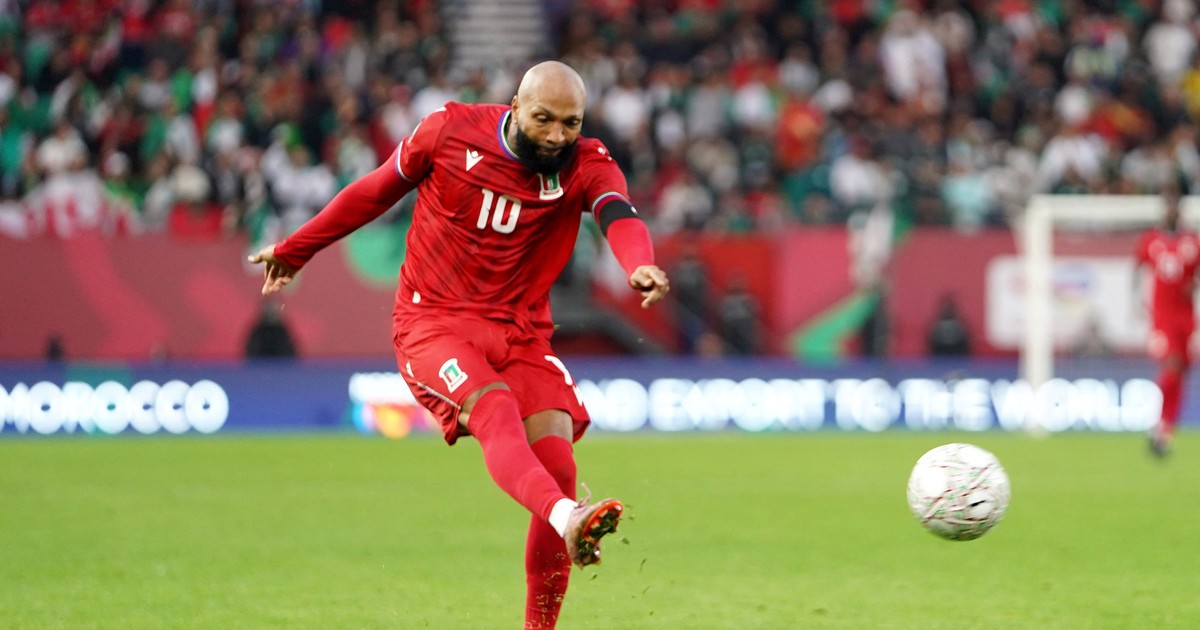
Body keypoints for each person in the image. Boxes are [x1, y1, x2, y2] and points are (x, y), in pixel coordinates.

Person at [247, 61, 670, 629]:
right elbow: (374, 191)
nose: (556, 135)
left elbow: (619, 213)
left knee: (559, 467)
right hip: (434, 322)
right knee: (496, 412)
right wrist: (297, 248)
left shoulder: (586, 161)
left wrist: (639, 264)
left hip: (521, 331)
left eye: (570, 123)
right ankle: (568, 518)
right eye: (543, 119)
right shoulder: (449, 131)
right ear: (514, 107)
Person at [1134, 189, 1199, 457]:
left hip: (1187, 316)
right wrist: (1135, 303)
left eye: (1175, 206)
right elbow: (1136, 270)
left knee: (1182, 371)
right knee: (1171, 365)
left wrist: (1194, 284)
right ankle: (1161, 424)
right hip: (1163, 315)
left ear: (1180, 211)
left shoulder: (1192, 241)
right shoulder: (1151, 240)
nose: (1171, 211)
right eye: (1167, 206)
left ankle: (1167, 428)